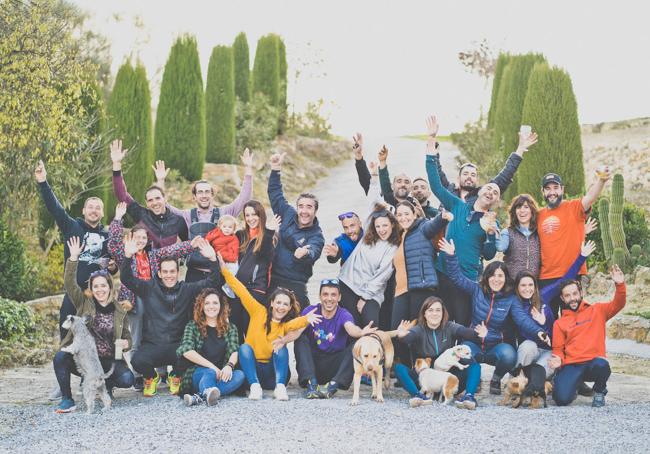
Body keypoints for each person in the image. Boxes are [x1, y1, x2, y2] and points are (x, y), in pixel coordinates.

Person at [438, 238, 549, 398]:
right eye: (492, 275)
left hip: (496, 345)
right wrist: (451, 256)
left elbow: (522, 319)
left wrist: (538, 331)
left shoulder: (510, 299)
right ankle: (473, 379)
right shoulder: (477, 290)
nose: (496, 279)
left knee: (509, 355)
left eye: (500, 276)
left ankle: (496, 379)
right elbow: (457, 278)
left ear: (505, 279)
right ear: (487, 276)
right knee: (461, 354)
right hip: (474, 342)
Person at [107, 202, 197, 390]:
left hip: (153, 296)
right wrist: (117, 220)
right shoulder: (125, 254)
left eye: (143, 237)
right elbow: (113, 243)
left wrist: (191, 244)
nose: (140, 240)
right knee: (137, 335)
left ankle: (162, 372)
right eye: (136, 237)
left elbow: (172, 250)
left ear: (147, 239)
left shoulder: (153, 256)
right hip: (133, 299)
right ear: (130, 238)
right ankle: (141, 375)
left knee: (158, 330)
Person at [120, 234, 221, 397]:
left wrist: (213, 259)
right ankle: (152, 377)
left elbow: (213, 282)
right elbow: (126, 278)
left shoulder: (186, 289)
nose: (169, 275)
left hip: (177, 346)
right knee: (137, 360)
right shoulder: (148, 288)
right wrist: (127, 256)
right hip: (153, 345)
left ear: (178, 272)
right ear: (159, 273)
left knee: (195, 354)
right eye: (165, 271)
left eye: (172, 271)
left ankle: (176, 375)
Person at [218, 255, 322, 401]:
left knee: (281, 346)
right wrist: (225, 271)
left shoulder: (285, 324)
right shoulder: (257, 311)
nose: (281, 307)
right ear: (272, 303)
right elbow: (241, 291)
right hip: (253, 372)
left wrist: (306, 319)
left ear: (290, 307)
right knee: (244, 348)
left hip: (273, 374)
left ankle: (280, 388)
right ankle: (255, 387)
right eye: (278, 302)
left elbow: (295, 324)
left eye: (285, 304)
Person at [425, 130, 501, 326]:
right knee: (440, 322)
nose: (491, 192)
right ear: (480, 190)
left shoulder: (491, 221)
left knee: (461, 323)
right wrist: (431, 143)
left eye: (495, 192)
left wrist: (490, 235)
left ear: (496, 200)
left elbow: (489, 253)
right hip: (443, 273)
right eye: (489, 188)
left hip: (466, 278)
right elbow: (435, 185)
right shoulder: (457, 205)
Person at [53, 237, 134, 413]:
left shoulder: (120, 310)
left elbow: (127, 338)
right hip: (85, 358)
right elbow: (69, 284)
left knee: (128, 379)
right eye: (95, 286)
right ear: (91, 288)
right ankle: (67, 399)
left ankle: (107, 386)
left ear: (110, 287)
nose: (100, 290)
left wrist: (127, 344)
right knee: (60, 357)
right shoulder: (84, 303)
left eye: (103, 286)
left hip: (108, 360)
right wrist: (73, 258)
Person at [35, 160, 111, 341]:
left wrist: (113, 268)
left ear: (102, 213)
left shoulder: (107, 236)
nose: (94, 211)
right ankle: (64, 364)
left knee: (98, 339)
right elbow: (55, 208)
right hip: (73, 292)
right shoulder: (72, 226)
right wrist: (43, 182)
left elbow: (113, 264)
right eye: (90, 207)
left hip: (97, 295)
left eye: (98, 208)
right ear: (84, 210)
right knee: (67, 336)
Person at [152, 150, 254, 282]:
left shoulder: (224, 213)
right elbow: (163, 208)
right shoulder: (187, 216)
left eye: (207, 191)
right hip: (194, 274)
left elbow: (244, 199)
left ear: (212, 194)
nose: (204, 195)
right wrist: (160, 181)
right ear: (194, 197)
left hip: (219, 273)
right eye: (200, 192)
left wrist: (248, 169)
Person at [514, 240, 596, 378]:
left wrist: (582, 256)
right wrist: (538, 326)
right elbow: (524, 329)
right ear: (517, 287)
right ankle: (517, 378)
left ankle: (539, 379)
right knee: (527, 347)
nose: (527, 289)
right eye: (523, 285)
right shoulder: (516, 305)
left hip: (548, 349)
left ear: (535, 286)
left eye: (530, 285)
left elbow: (563, 281)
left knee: (538, 376)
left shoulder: (543, 296)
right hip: (531, 349)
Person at [549, 265, 626, 407]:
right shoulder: (559, 323)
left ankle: (599, 390)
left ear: (580, 293)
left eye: (574, 294)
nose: (572, 298)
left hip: (593, 363)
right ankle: (574, 383)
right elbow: (558, 349)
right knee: (561, 399)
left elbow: (618, 304)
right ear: (562, 298)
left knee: (602, 365)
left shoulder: (597, 310)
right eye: (567, 295)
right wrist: (558, 359)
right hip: (572, 365)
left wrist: (620, 284)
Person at [537, 169, 611, 317]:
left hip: (572, 274)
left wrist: (601, 181)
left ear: (562, 189)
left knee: (573, 319)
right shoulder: (538, 215)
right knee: (548, 320)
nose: (552, 192)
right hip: (546, 277)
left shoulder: (574, 207)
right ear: (543, 192)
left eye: (556, 188)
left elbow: (590, 198)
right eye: (548, 189)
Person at [394, 297, 486, 409]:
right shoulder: (419, 329)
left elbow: (464, 332)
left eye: (438, 310)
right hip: (424, 382)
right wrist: (402, 335)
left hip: (448, 382)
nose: (435, 313)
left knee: (475, 367)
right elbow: (409, 337)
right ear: (424, 314)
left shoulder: (449, 326)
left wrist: (478, 334)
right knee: (399, 368)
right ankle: (418, 396)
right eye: (430, 310)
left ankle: (469, 397)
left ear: (443, 313)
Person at [426, 115, 538, 206]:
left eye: (473, 175)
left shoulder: (483, 194)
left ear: (477, 180)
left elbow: (506, 174)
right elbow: (436, 171)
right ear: (458, 178)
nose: (469, 176)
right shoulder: (448, 190)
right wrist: (432, 140)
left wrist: (520, 149)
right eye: (465, 173)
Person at [338, 166, 401, 328]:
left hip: (372, 293)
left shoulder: (392, 246)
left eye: (385, 226)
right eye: (378, 226)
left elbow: (382, 275)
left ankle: (374, 352)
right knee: (350, 325)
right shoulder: (367, 233)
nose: (382, 230)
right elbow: (372, 199)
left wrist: (365, 298)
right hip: (349, 284)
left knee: (371, 324)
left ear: (392, 225)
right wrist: (373, 176)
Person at [294, 278, 377, 399]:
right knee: (300, 339)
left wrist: (361, 332)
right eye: (325, 294)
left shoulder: (344, 314)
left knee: (356, 344)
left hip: (335, 367)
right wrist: (282, 339)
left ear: (339, 297)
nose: (329, 299)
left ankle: (333, 385)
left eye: (333, 295)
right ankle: (311, 384)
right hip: (313, 365)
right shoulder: (310, 311)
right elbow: (296, 332)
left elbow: (351, 328)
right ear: (320, 296)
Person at [391, 201, 451, 366]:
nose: (403, 217)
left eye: (406, 213)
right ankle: (406, 367)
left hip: (422, 288)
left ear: (415, 214)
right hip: (401, 290)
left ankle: (423, 368)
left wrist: (442, 217)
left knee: (419, 330)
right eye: (400, 215)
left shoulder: (422, 227)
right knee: (398, 329)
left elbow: (433, 225)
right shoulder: (396, 236)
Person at [267, 151, 324, 309]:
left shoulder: (317, 235)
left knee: (298, 323)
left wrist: (305, 253)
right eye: (301, 206)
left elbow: (314, 250)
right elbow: (275, 194)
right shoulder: (288, 213)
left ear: (315, 211)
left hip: (296, 283)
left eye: (309, 207)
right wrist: (276, 168)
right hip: (274, 278)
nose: (304, 211)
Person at [110, 140, 187, 248]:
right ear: (146, 203)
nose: (154, 203)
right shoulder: (142, 214)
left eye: (157, 198)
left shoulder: (178, 221)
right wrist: (116, 164)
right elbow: (121, 195)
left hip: (168, 264)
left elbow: (188, 244)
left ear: (165, 199)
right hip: (145, 263)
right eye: (150, 200)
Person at [177, 289, 245, 407]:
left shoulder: (230, 328)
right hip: (198, 373)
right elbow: (186, 350)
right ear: (201, 306)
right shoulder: (192, 326)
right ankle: (207, 392)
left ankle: (200, 396)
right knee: (209, 373)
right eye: (207, 303)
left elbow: (235, 350)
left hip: (221, 374)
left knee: (240, 375)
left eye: (215, 303)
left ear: (221, 306)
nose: (211, 306)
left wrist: (229, 366)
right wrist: (213, 368)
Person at [231, 200, 279, 342]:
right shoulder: (241, 235)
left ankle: (256, 363)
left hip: (255, 290)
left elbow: (265, 254)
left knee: (251, 330)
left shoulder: (270, 236)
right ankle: (237, 363)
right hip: (237, 289)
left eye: (254, 214)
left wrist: (269, 231)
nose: (251, 218)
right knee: (235, 329)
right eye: (247, 215)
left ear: (261, 215)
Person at [496, 194, 541, 280]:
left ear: (532, 210)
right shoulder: (508, 232)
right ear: (514, 211)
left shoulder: (538, 233)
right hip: (512, 284)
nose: (522, 210)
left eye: (526, 207)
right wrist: (494, 231)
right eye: (518, 207)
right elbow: (500, 247)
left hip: (532, 286)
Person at [205, 214, 240, 298]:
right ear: (220, 226)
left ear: (234, 229)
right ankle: (228, 286)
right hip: (216, 256)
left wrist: (226, 257)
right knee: (234, 268)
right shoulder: (215, 233)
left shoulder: (234, 239)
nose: (227, 229)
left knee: (236, 269)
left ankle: (228, 286)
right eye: (224, 226)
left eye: (230, 227)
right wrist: (208, 246)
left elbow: (234, 254)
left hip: (226, 259)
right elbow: (207, 239)